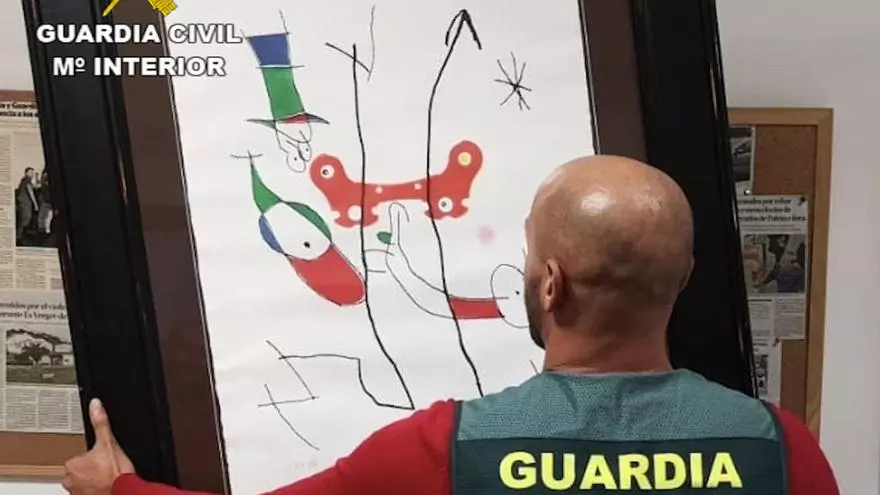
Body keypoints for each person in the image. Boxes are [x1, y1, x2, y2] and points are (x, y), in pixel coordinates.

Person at [62, 156, 839, 495]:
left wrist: (120, 487)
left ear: (551, 283)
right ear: (684, 276)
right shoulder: (780, 450)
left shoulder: (444, 449)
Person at [15, 167, 38, 243]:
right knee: (25, 220)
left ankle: (19, 237)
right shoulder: (27, 180)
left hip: (23, 203)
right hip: (25, 204)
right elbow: (30, 191)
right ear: (26, 173)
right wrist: (35, 204)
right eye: (30, 173)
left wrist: (37, 179)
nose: (32, 175)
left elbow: (34, 186)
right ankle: (19, 238)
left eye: (32, 173)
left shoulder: (24, 180)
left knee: (23, 220)